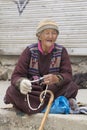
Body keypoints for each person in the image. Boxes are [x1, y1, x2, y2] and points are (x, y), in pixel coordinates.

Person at [4, 19, 78, 115]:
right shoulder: (29, 51)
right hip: (34, 90)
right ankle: (48, 105)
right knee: (12, 91)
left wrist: (57, 78)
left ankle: (32, 106)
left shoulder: (61, 51)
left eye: (54, 33)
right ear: (39, 35)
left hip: (52, 90)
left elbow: (68, 75)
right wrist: (22, 83)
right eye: (47, 33)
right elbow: (16, 75)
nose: (51, 36)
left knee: (72, 87)